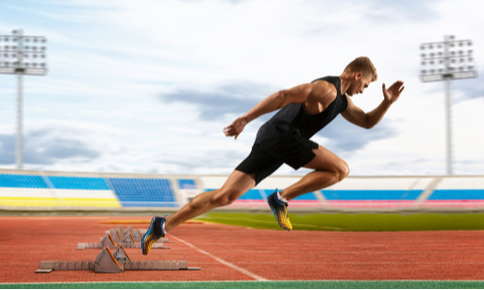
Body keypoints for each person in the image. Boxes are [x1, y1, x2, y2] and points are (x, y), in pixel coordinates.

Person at [141, 56, 404, 255]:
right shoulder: (327, 89)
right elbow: (283, 96)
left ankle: (162, 226)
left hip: (274, 140)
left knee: (225, 196)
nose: (364, 90)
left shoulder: (343, 102)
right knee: (340, 170)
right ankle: (281, 198)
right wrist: (246, 118)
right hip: (282, 136)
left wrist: (387, 103)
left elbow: (368, 122)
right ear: (357, 75)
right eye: (366, 85)